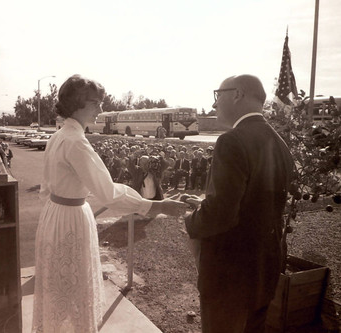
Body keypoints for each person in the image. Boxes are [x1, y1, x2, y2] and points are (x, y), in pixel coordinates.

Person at [32, 74, 188, 333]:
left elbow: (45, 190)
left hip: (54, 216)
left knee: (58, 287)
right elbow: (107, 193)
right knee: (72, 289)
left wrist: (57, 211)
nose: (101, 109)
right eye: (96, 103)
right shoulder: (75, 141)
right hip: (70, 218)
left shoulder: (59, 136)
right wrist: (154, 206)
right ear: (78, 104)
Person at [184, 74, 294, 333]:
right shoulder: (280, 144)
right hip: (263, 270)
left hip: (230, 277)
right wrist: (207, 202)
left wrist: (190, 218)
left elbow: (221, 215)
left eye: (218, 95)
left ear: (237, 94)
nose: (214, 105)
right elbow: (256, 202)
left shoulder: (231, 141)